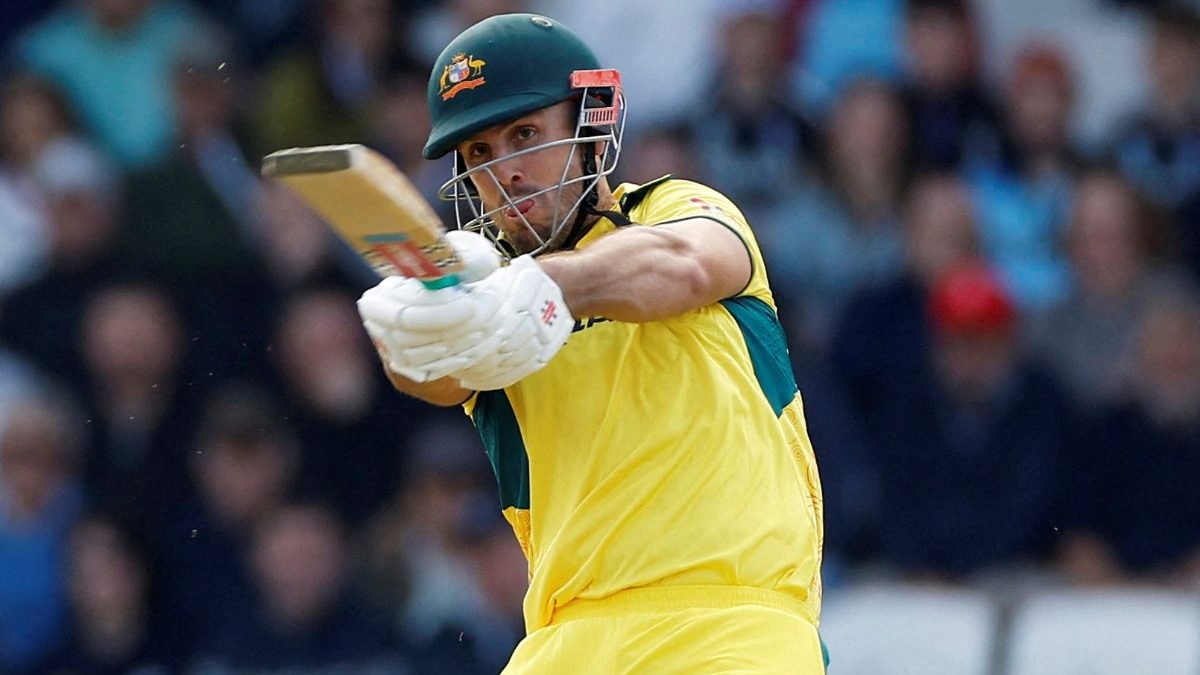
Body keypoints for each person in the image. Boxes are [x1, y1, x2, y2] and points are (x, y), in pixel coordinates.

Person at [355, 13, 826, 674]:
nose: (506, 174)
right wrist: (411, 327)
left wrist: (539, 285)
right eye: (480, 154)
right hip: (563, 640)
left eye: (524, 135)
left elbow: (685, 265)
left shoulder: (676, 209)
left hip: (730, 625)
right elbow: (434, 377)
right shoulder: (486, 300)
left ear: (591, 125)